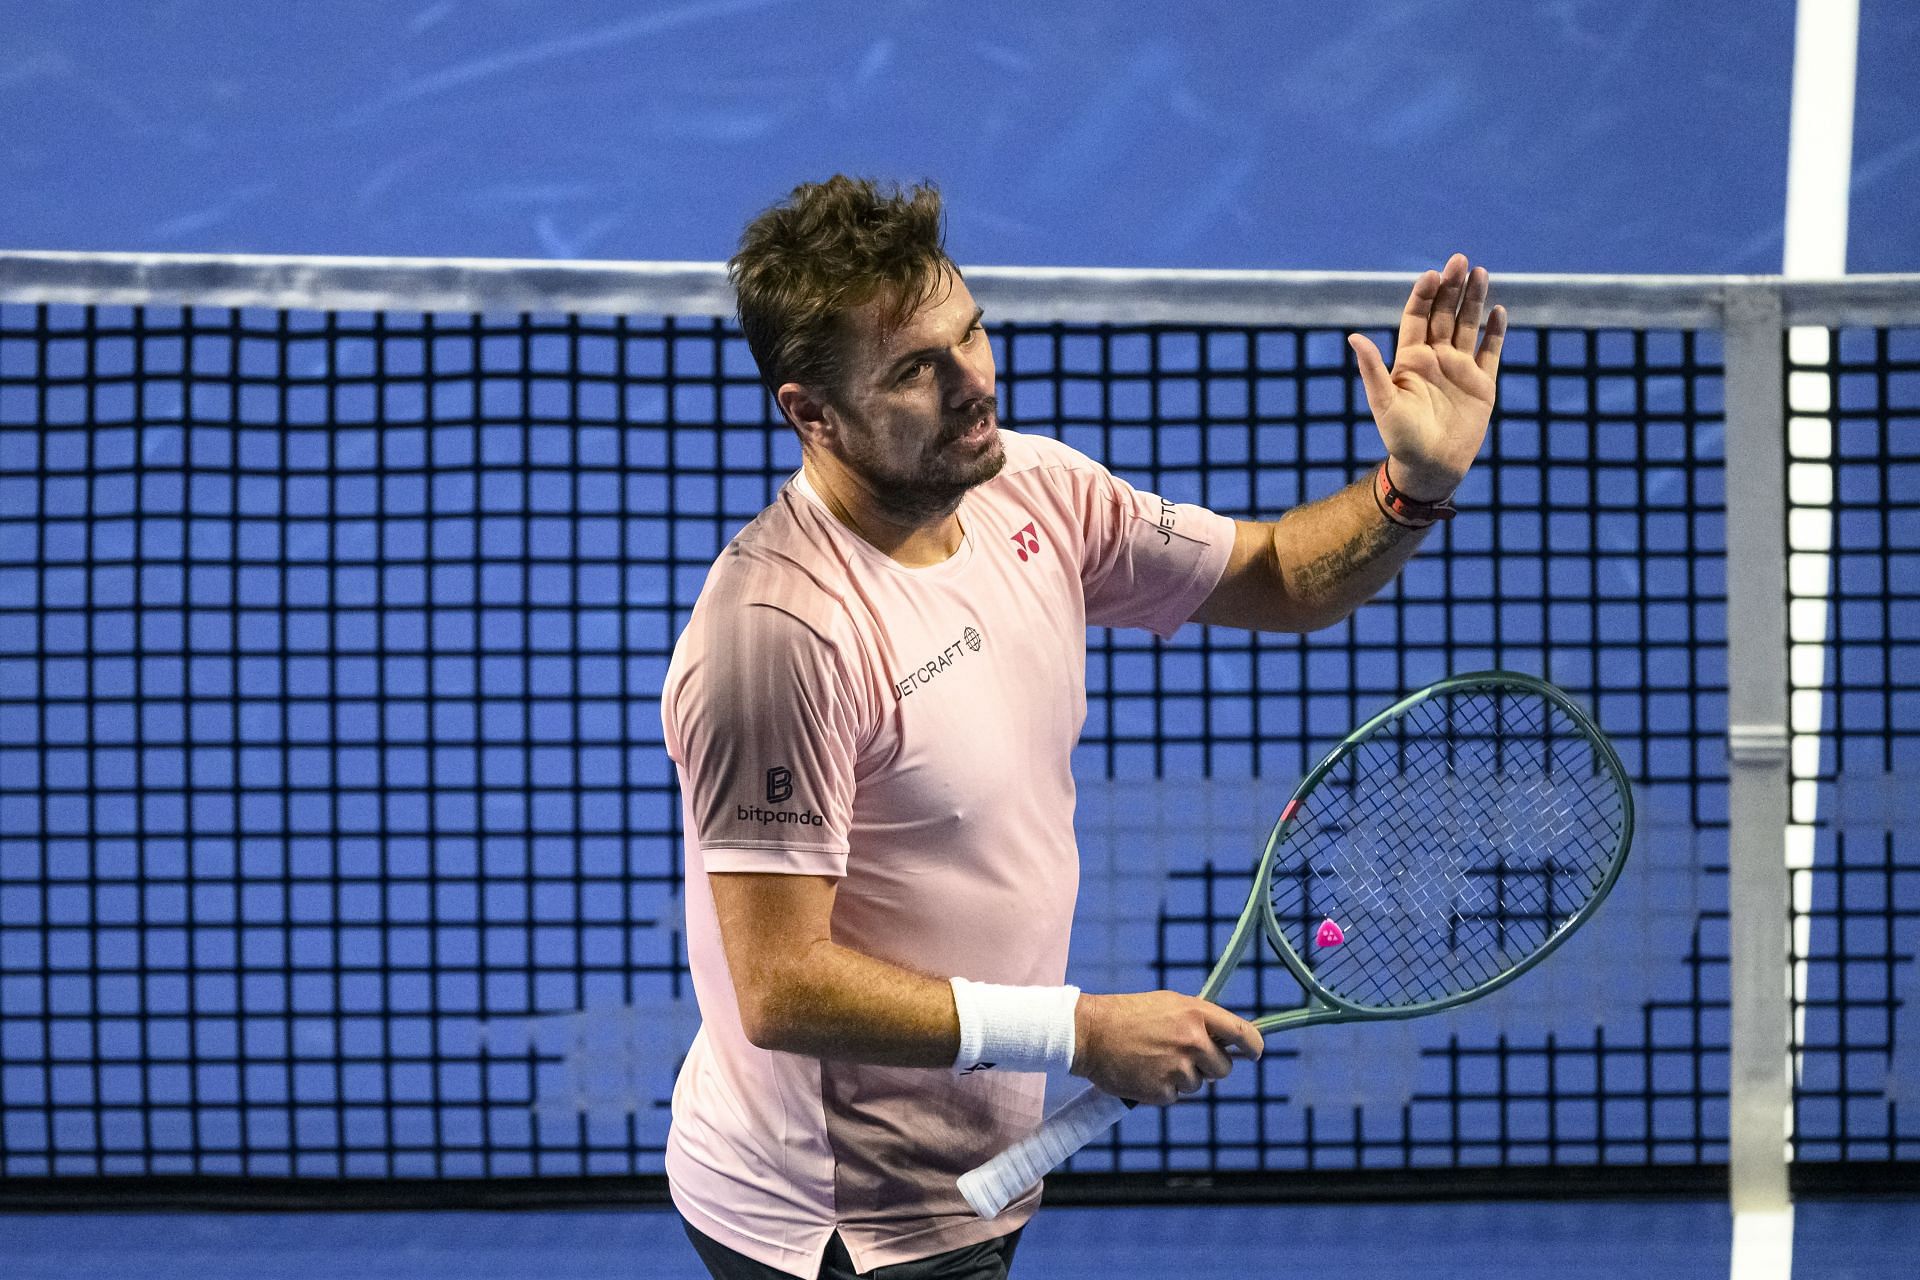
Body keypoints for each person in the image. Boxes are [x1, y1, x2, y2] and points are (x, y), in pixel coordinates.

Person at [661, 175, 1506, 1280]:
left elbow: (1281, 576)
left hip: (977, 1162)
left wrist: (1412, 485)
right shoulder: (780, 637)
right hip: (841, 1222)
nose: (973, 383)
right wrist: (1081, 1031)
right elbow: (782, 984)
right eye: (916, 368)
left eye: (971, 332)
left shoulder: (1034, 492)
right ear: (810, 413)